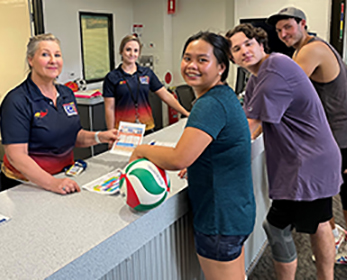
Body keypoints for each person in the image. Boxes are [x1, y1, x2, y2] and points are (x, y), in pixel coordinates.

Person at [129, 31, 255, 280]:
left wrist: (141, 149)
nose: (191, 66)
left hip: (219, 219)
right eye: (187, 58)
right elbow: (217, 150)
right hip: (235, 212)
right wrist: (201, 164)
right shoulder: (224, 96)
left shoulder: (209, 104)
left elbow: (179, 158)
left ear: (221, 67)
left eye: (202, 59)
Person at [226, 23, 342, 280]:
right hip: (311, 157)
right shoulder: (260, 74)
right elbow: (247, 116)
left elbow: (250, 129)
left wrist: (198, 153)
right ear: (231, 58)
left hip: (309, 162)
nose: (244, 50)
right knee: (320, 222)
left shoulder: (275, 72)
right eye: (236, 48)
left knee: (278, 227)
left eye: (248, 43)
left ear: (260, 44)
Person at [267, 6, 347, 263]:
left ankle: (338, 247)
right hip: (332, 133)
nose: (283, 34)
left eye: (288, 27)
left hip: (338, 134)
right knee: (326, 207)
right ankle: (337, 241)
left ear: (303, 24)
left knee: (330, 205)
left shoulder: (311, 50)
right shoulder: (306, 48)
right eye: (279, 30)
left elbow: (286, 88)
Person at [0, 33, 118, 195]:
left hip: (64, 177)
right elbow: (16, 156)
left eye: (57, 55)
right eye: (45, 54)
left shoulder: (66, 94)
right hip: (25, 185)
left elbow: (73, 135)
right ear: (30, 60)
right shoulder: (17, 101)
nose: (53, 60)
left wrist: (100, 137)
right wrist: (52, 183)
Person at [103, 35, 189, 134]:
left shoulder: (146, 73)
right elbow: (109, 108)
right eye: (128, 50)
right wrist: (110, 133)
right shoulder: (112, 77)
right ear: (121, 51)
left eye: (136, 51)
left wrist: (185, 113)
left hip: (146, 127)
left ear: (139, 53)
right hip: (124, 130)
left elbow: (166, 96)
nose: (132, 54)